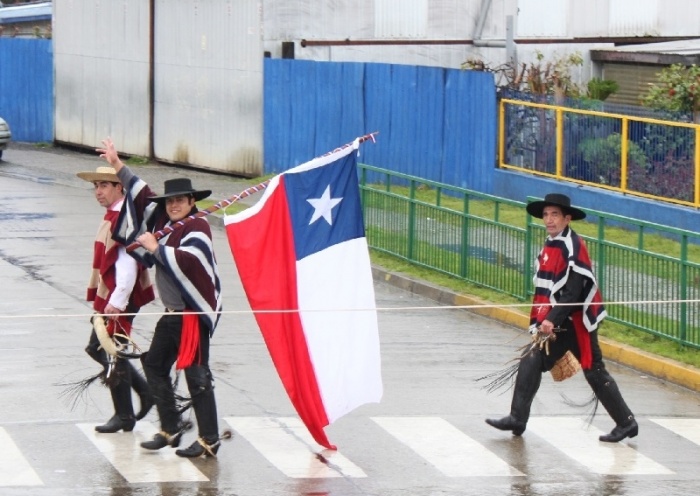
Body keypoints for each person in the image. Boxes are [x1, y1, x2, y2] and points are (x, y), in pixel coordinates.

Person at [96, 137, 224, 458]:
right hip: (172, 314)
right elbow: (141, 193)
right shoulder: (165, 221)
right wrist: (116, 164)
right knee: (154, 364)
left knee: (197, 375)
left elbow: (193, 261)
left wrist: (157, 249)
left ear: (192, 200)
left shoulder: (198, 227)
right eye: (170, 201)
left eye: (180, 200)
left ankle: (210, 438)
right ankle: (171, 427)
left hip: (192, 314)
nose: (173, 205)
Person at [485, 193, 638, 443]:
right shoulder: (550, 244)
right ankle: (517, 418)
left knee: (594, 371)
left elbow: (574, 291)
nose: (549, 219)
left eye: (554, 214)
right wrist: (542, 319)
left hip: (577, 324)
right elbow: (546, 288)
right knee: (531, 359)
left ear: (567, 218)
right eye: (545, 214)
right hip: (559, 324)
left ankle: (626, 423)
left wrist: (552, 319)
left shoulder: (573, 246)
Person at [76, 165, 155, 433]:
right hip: (115, 296)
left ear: (119, 187)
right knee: (103, 349)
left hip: (119, 297)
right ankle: (141, 397)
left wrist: (118, 301)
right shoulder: (113, 213)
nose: (98, 191)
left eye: (104, 186)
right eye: (95, 186)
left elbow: (127, 263)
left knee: (106, 350)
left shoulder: (122, 216)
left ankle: (126, 413)